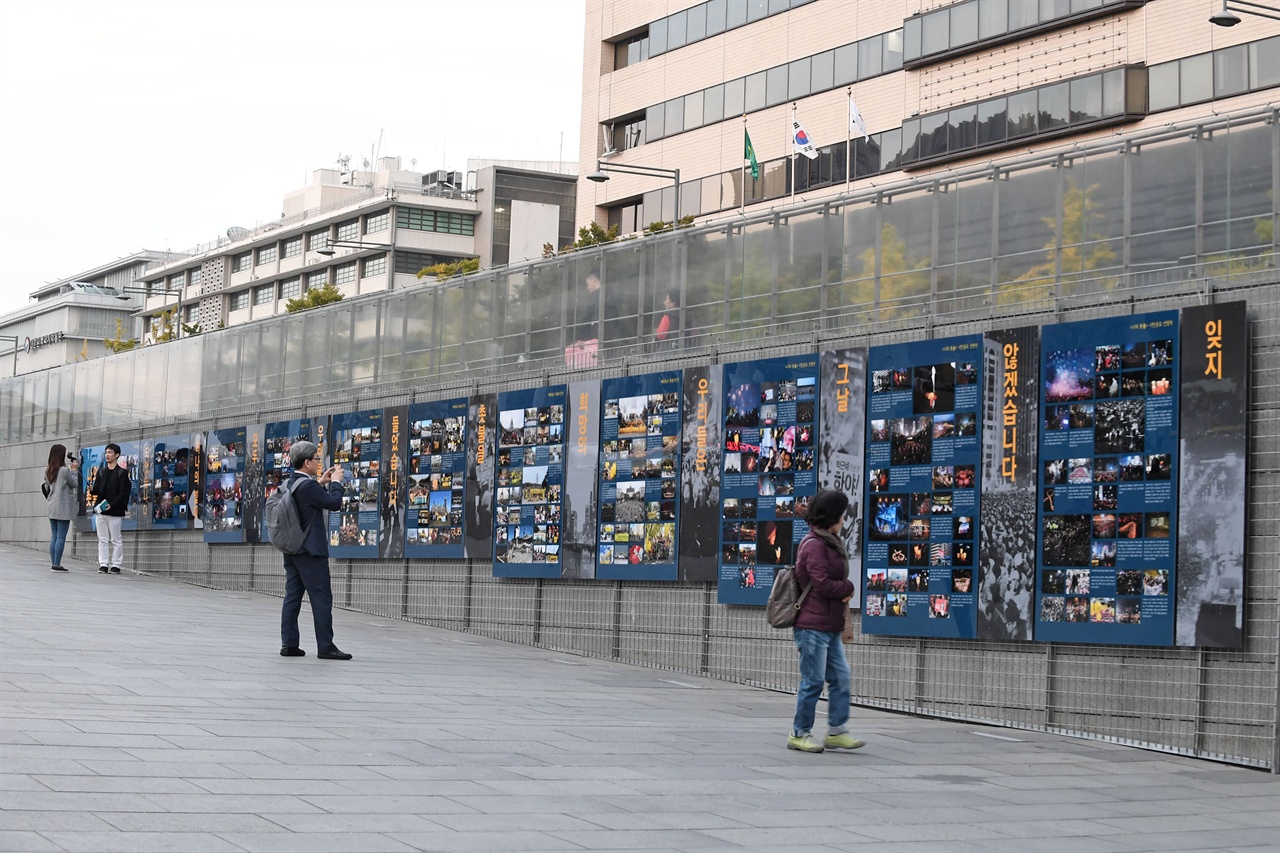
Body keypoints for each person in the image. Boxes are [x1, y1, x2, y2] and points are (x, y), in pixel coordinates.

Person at [788, 488, 865, 754]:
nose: (844, 519)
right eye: (841, 515)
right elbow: (821, 584)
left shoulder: (828, 540)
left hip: (829, 625)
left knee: (841, 676)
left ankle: (836, 730)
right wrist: (848, 586)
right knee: (813, 681)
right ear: (832, 516)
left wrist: (844, 587)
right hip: (812, 626)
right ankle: (799, 732)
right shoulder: (814, 545)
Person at [279, 441, 352, 660]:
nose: (319, 462)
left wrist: (320, 482)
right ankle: (326, 646)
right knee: (321, 598)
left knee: (292, 597)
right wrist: (337, 482)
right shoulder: (308, 487)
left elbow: (306, 501)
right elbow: (334, 503)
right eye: (317, 459)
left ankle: (289, 643)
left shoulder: (290, 483)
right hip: (311, 552)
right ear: (307, 461)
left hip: (293, 550)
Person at [86, 443, 130, 574]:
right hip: (101, 509)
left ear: (117, 455)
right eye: (106, 453)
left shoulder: (122, 473)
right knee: (102, 539)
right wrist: (92, 490)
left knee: (116, 539)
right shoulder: (101, 472)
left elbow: (123, 492)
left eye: (110, 452)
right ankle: (103, 564)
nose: (107, 455)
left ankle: (116, 564)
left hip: (115, 511)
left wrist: (113, 503)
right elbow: (98, 491)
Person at [44, 443, 80, 572]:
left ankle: (54, 563)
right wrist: (74, 470)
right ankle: (56, 564)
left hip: (52, 505)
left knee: (54, 536)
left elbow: (47, 487)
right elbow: (74, 484)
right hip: (63, 506)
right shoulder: (64, 470)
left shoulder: (48, 470)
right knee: (61, 536)